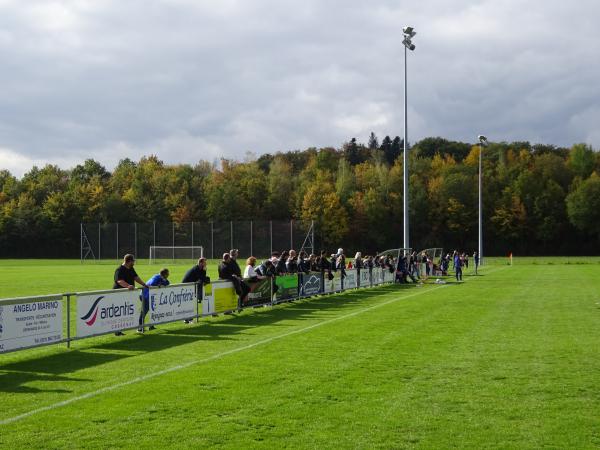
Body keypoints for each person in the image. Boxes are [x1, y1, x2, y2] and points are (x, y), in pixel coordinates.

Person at [113, 254, 148, 336]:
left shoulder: (131, 268)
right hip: (118, 294)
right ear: (129, 261)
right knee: (119, 312)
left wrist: (144, 284)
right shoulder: (119, 269)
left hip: (127, 294)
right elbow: (119, 281)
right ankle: (117, 331)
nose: (134, 262)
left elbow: (136, 277)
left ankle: (129, 328)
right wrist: (128, 286)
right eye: (133, 261)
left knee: (126, 312)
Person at [138, 268, 170, 333]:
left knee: (153, 310)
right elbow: (152, 283)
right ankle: (140, 328)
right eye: (168, 273)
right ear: (165, 274)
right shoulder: (156, 277)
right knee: (144, 311)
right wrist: (159, 284)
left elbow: (168, 283)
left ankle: (151, 326)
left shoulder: (161, 278)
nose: (169, 275)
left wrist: (163, 282)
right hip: (145, 295)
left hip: (150, 296)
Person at [182, 257, 211, 323]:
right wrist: (206, 279)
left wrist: (204, 271)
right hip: (186, 286)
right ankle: (186, 319)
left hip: (191, 286)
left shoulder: (201, 269)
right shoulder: (196, 268)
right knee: (188, 303)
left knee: (190, 302)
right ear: (200, 263)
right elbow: (202, 278)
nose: (206, 263)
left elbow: (202, 278)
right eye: (205, 262)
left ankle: (189, 318)